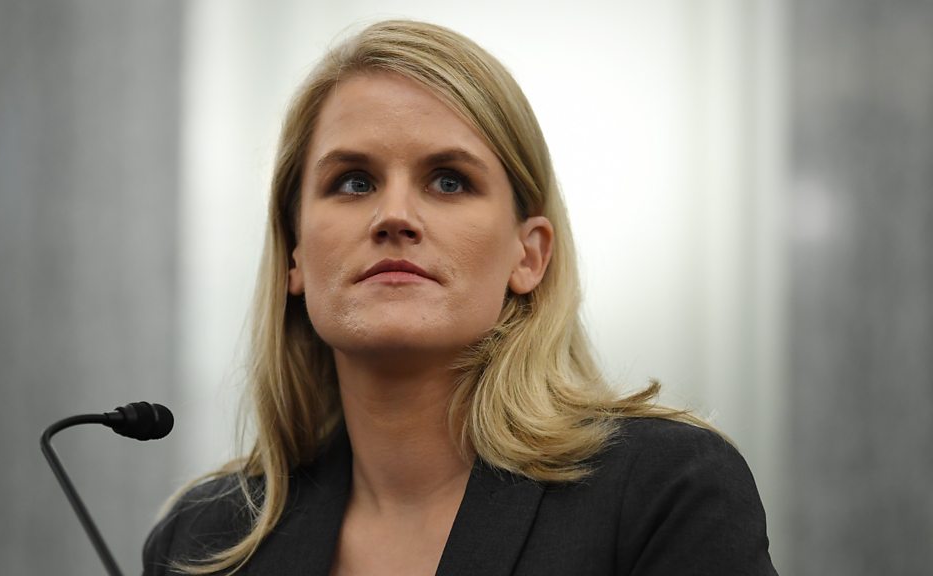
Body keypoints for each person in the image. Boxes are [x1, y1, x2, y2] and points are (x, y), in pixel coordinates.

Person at [143, 19, 777, 576]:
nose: (394, 215)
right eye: (354, 182)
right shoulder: (200, 540)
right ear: (295, 255)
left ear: (528, 255)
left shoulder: (664, 489)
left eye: (448, 181)